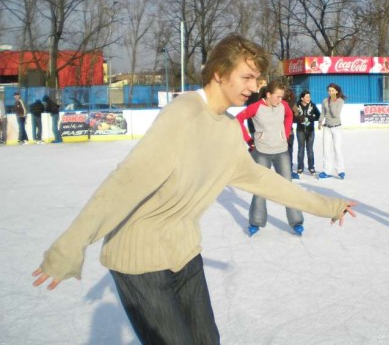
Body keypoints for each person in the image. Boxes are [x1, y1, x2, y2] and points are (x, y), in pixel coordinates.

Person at [32, 35, 357, 344]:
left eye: (257, 79)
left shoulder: (227, 128)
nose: (254, 86)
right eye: (247, 77)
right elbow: (127, 180)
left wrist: (327, 205)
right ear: (219, 73)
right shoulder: (184, 112)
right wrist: (70, 246)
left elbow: (262, 179)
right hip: (140, 259)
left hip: (184, 252)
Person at [236, 81, 306, 236]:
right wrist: (248, 139)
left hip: (281, 151)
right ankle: (255, 222)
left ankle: (296, 221)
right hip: (261, 152)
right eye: (278, 96)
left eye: (282, 97)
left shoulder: (283, 105)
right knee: (261, 188)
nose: (280, 100)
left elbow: (289, 115)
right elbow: (238, 119)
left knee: (288, 187)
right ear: (268, 95)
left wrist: (285, 133)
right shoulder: (256, 107)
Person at [318, 83, 346, 179]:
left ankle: (340, 170)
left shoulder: (340, 101)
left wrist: (332, 101)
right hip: (327, 128)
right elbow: (323, 112)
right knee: (326, 149)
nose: (331, 92)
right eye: (329, 91)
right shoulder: (324, 100)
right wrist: (320, 121)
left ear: (336, 91)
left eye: (333, 91)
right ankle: (327, 171)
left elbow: (335, 114)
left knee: (337, 149)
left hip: (337, 128)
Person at [295, 90, 320, 175]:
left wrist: (311, 118)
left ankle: (311, 167)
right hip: (300, 131)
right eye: (306, 97)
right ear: (302, 98)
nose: (308, 98)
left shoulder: (313, 105)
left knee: (310, 150)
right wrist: (299, 119)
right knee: (300, 150)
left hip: (310, 131)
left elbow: (318, 116)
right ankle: (300, 167)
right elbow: (293, 118)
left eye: (309, 96)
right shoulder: (297, 106)